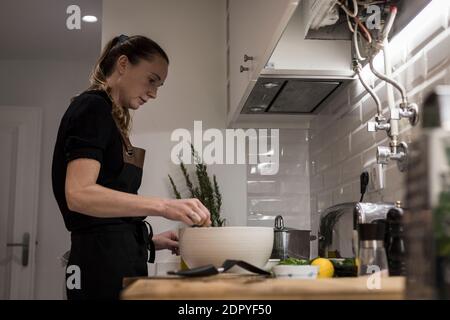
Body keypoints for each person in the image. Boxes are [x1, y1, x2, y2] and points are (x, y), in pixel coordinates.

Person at [51, 34, 211, 300]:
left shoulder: (111, 117)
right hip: (99, 268)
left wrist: (148, 241)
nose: (154, 93)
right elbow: (79, 195)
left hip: (115, 260)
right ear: (123, 64)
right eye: (152, 80)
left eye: (159, 86)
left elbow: (107, 207)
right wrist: (164, 206)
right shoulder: (92, 107)